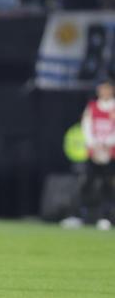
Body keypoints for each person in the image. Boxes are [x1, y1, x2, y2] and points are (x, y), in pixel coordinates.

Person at [61, 78, 115, 230]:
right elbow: (86, 127)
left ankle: (106, 218)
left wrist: (107, 144)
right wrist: (94, 146)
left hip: (110, 153)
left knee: (108, 185)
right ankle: (77, 216)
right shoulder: (92, 107)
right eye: (101, 89)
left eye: (107, 89)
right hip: (94, 153)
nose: (104, 92)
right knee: (86, 184)